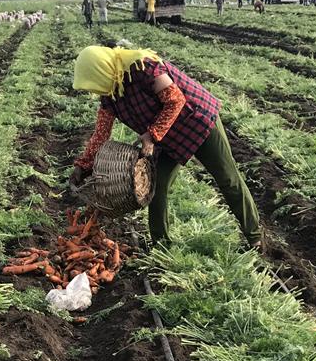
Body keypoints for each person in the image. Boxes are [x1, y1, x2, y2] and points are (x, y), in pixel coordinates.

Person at [69, 45, 261, 249]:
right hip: (168, 137)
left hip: (197, 121)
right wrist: (84, 165)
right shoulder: (110, 94)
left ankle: (254, 236)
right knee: (157, 185)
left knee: (227, 178)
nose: (95, 88)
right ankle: (161, 245)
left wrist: (151, 135)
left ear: (102, 69)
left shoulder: (143, 68)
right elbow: (100, 135)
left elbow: (176, 100)